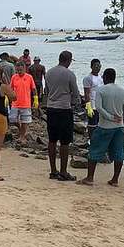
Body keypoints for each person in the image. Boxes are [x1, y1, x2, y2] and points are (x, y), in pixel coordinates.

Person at [78, 68, 124, 187]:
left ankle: (90, 178)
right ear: (114, 77)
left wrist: (110, 117)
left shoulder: (101, 90)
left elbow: (99, 108)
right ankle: (115, 179)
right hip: (119, 127)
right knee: (119, 153)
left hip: (104, 126)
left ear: (105, 77)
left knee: (94, 151)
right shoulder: (123, 91)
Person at [44, 50, 80, 181]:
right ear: (68, 60)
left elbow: (46, 91)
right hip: (64, 109)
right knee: (65, 141)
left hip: (51, 109)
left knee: (52, 140)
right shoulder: (69, 74)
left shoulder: (49, 73)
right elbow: (75, 93)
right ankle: (64, 171)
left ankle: (53, 170)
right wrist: (75, 104)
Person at [9, 61, 38, 144]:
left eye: (21, 70)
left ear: (24, 68)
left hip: (26, 103)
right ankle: (20, 129)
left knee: (25, 121)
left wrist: (35, 99)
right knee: (12, 119)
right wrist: (7, 98)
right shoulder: (14, 77)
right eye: (18, 70)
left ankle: (22, 137)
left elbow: (33, 89)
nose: (19, 71)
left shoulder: (29, 77)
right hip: (15, 103)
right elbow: (10, 88)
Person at [83, 59, 104, 138]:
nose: (97, 67)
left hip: (100, 105)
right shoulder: (88, 78)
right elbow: (86, 93)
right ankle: (91, 140)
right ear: (91, 67)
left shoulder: (101, 77)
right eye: (95, 66)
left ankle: (98, 140)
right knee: (92, 125)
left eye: (99, 66)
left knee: (99, 124)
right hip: (92, 105)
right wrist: (88, 107)